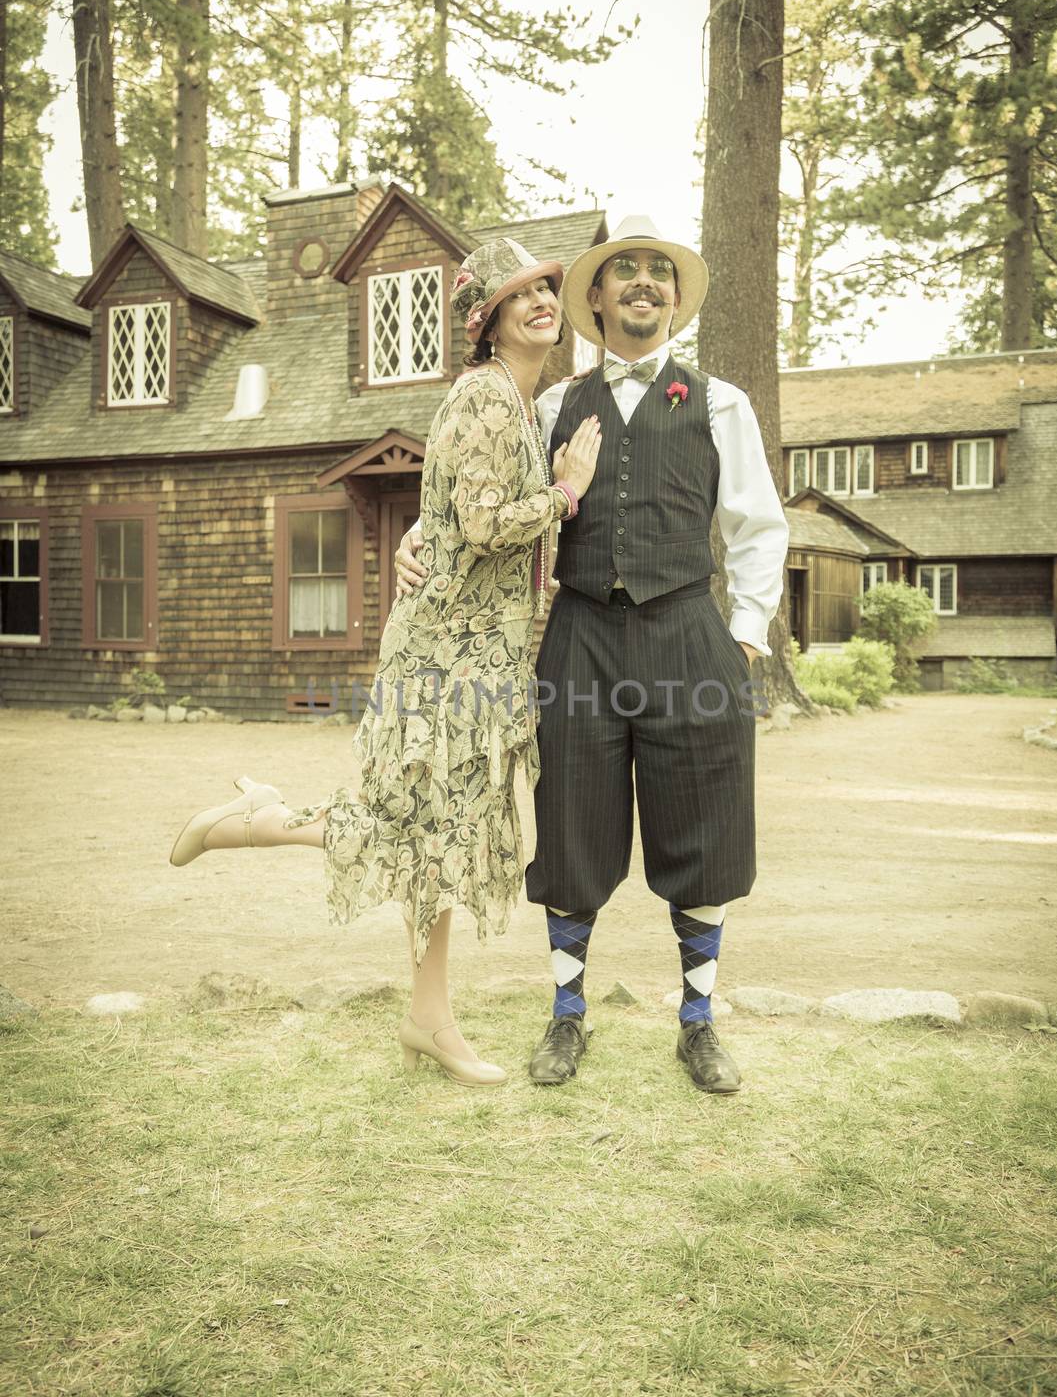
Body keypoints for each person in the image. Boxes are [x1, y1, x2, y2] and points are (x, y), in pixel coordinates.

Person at [169, 238, 601, 1088]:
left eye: (547, 290)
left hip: (484, 661)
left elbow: (447, 518)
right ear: (489, 323)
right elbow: (480, 525)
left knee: (436, 842)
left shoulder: (522, 402)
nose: (543, 302)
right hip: (443, 661)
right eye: (522, 297)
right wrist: (565, 493)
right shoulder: (482, 393)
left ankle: (427, 1019)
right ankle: (256, 823)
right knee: (415, 830)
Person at [396, 218, 789, 1093]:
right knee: (572, 831)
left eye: (659, 273)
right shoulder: (548, 405)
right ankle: (566, 1017)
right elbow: (481, 485)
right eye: (625, 273)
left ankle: (697, 1024)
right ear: (598, 299)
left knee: (703, 832)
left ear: (675, 299)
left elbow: (757, 526)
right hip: (577, 641)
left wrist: (746, 634)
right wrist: (418, 535)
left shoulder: (720, 402)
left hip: (690, 633)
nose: (643, 283)